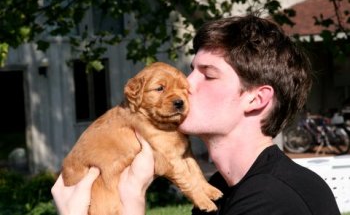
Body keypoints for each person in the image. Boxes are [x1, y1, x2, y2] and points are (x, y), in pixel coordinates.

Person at [51, 14, 340, 215]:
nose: (186, 85)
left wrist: (132, 204)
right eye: (191, 70)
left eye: (208, 75)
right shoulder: (221, 188)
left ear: (256, 99)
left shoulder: (271, 200)